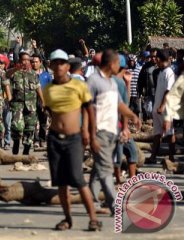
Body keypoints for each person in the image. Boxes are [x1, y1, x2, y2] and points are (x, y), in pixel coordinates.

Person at [44, 49, 101, 231]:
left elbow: (89, 110)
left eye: (62, 63)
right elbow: (50, 112)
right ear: (51, 66)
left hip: (74, 139)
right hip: (54, 139)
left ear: (67, 66)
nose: (59, 66)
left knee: (78, 179)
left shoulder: (79, 86)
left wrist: (90, 134)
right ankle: (67, 219)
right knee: (61, 183)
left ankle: (93, 219)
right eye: (56, 63)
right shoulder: (48, 89)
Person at [87, 49, 141, 215]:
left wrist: (132, 115)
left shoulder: (111, 82)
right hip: (99, 131)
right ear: (112, 64)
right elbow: (85, 108)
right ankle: (114, 204)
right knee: (106, 169)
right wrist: (89, 133)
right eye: (118, 63)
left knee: (98, 169)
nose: (121, 66)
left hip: (112, 131)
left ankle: (93, 202)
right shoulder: (93, 81)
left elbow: (119, 104)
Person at [6, 51, 45, 155]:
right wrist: (16, 68)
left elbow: (38, 87)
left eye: (28, 60)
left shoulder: (33, 74)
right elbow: (6, 75)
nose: (26, 62)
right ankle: (16, 142)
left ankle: (26, 149)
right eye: (24, 59)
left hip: (31, 105)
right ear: (19, 60)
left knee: (30, 127)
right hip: (17, 104)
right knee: (17, 126)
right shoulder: (15, 72)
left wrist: (43, 101)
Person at [147, 49, 176, 164]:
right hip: (158, 107)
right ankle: (153, 156)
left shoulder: (169, 73)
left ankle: (171, 158)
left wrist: (162, 106)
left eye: (156, 58)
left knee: (169, 134)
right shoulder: (161, 72)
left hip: (165, 109)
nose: (154, 60)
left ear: (159, 59)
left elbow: (168, 91)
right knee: (157, 134)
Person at [113, 55, 138, 183]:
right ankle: (123, 180)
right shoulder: (116, 82)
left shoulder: (116, 81)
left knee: (124, 151)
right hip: (117, 124)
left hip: (113, 123)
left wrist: (128, 83)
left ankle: (124, 179)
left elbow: (125, 100)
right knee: (127, 151)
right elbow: (124, 105)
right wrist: (125, 127)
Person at [31, 53, 52, 148]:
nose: (34, 64)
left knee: (43, 121)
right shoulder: (29, 74)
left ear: (40, 63)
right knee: (33, 122)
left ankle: (42, 140)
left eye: (36, 62)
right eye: (32, 62)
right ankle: (35, 140)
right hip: (31, 100)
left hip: (43, 100)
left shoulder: (46, 75)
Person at [0, 53, 11, 149]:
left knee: (7, 123)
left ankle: (7, 142)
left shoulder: (9, 74)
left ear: (5, 65)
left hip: (7, 102)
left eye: (1, 63)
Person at [137, 48, 158, 121]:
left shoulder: (160, 66)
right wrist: (139, 90)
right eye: (151, 56)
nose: (153, 58)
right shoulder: (146, 66)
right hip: (149, 92)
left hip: (159, 93)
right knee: (149, 110)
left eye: (155, 56)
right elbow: (140, 79)